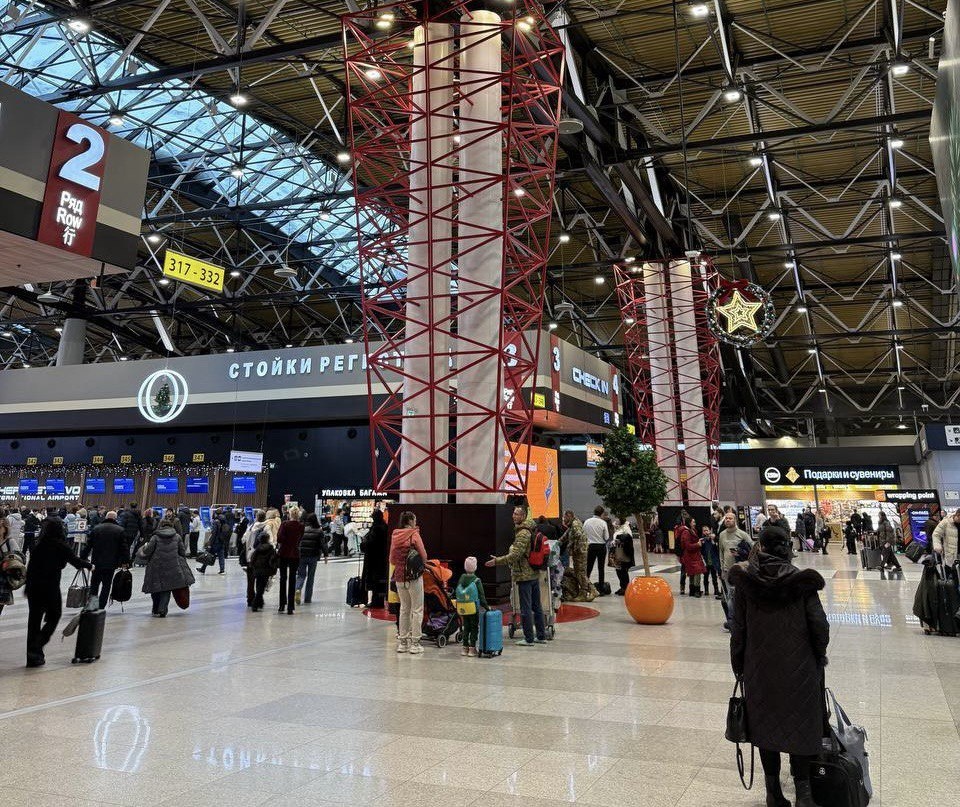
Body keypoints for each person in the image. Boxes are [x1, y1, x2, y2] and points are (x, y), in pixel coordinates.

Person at [729, 526, 829, 807]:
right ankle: (804, 795)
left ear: (760, 547)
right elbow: (819, 625)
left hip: (759, 668)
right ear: (787, 548)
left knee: (765, 725)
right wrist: (818, 655)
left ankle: (773, 793)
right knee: (801, 724)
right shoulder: (802, 582)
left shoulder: (746, 584)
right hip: (800, 668)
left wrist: (739, 665)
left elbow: (738, 630)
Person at [25, 518, 92, 667]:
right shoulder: (60, 545)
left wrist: (27, 588)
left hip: (34, 588)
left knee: (34, 621)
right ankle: (38, 644)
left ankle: (32, 657)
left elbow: (31, 567)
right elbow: (75, 561)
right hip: (50, 587)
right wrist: (90, 566)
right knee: (55, 615)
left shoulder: (39, 544)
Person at [486, 506, 546, 646]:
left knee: (525, 608)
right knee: (537, 606)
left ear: (523, 516)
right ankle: (541, 636)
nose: (513, 516)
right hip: (533, 573)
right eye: (513, 513)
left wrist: (497, 561)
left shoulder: (523, 533)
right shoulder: (530, 529)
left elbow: (515, 555)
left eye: (517, 514)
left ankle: (529, 638)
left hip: (524, 575)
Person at [139, 515, 194, 617]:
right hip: (173, 566)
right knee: (167, 588)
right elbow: (182, 552)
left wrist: (144, 548)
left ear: (160, 526)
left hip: (156, 566)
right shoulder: (177, 537)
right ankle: (162, 610)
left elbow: (147, 551)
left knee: (155, 587)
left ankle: (155, 609)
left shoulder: (155, 537)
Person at [389, 511, 427, 654]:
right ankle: (415, 643)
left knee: (404, 609)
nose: (415, 522)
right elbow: (424, 555)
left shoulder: (395, 535)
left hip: (399, 577)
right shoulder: (414, 534)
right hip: (414, 577)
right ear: (410, 520)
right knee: (417, 609)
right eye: (414, 520)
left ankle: (403, 643)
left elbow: (392, 559)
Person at [81, 510, 129, 610]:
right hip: (111, 563)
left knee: (94, 584)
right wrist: (125, 561)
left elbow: (88, 545)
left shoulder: (96, 528)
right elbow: (124, 548)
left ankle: (93, 605)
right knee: (106, 585)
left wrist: (83, 557)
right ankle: (101, 606)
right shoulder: (120, 530)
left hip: (96, 562)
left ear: (106, 518)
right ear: (115, 518)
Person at [455, 556, 487, 656]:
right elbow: (481, 596)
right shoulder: (476, 580)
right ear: (475, 567)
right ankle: (472, 649)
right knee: (474, 627)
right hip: (473, 608)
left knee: (466, 627)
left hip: (463, 607)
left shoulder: (462, 578)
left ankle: (464, 648)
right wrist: (486, 607)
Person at [560, 510, 594, 601]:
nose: (564, 519)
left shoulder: (575, 524)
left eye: (565, 517)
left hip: (580, 552)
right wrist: (558, 542)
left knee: (580, 573)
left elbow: (578, 535)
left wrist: (570, 546)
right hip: (579, 551)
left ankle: (590, 591)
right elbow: (566, 535)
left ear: (569, 516)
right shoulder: (572, 524)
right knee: (578, 572)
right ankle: (586, 592)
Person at [276, 506, 303, 614]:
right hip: (295, 553)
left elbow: (279, 538)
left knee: (283, 578)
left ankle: (282, 604)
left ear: (290, 514)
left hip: (284, 553)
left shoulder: (284, 524)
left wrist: (285, 540)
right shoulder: (301, 526)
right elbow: (300, 539)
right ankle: (291, 607)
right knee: (292, 579)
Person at [360, 508, 389, 608]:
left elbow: (371, 543)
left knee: (374, 580)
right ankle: (378, 600)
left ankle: (376, 602)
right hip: (382, 558)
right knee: (380, 580)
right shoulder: (385, 526)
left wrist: (364, 543)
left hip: (373, 559)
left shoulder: (376, 528)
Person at [296, 513, 325, 604]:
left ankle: (298, 588)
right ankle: (307, 598)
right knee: (310, 577)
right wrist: (326, 554)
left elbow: (298, 541)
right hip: (313, 556)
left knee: (301, 575)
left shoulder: (302, 529)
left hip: (302, 555)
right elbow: (322, 544)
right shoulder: (319, 531)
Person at [249, 526, 278, 613]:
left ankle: (260, 602)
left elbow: (253, 559)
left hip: (257, 570)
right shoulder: (271, 549)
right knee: (261, 588)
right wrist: (274, 569)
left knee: (259, 586)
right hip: (266, 570)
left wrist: (252, 566)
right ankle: (255, 604)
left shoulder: (257, 549)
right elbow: (273, 560)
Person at [582, 505, 610, 594]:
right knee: (601, 568)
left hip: (590, 546)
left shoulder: (587, 522)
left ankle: (585, 587)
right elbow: (606, 537)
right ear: (601, 513)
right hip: (601, 546)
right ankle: (601, 589)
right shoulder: (603, 523)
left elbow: (583, 534)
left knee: (588, 567)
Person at [679, 517, 706, 597]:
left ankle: (692, 591)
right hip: (690, 555)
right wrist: (697, 544)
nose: (695, 523)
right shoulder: (686, 532)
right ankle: (696, 591)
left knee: (692, 573)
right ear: (689, 523)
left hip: (694, 555)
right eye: (693, 522)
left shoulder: (692, 531)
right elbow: (687, 546)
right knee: (696, 572)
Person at [197, 508, 227, 575]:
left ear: (216, 513)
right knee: (221, 556)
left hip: (215, 542)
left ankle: (202, 569)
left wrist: (210, 543)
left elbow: (214, 533)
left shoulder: (216, 521)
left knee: (208, 555)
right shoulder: (224, 520)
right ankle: (222, 570)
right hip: (222, 541)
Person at [610, 519, 635, 596]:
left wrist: (618, 538)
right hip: (617, 551)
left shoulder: (626, 528)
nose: (615, 521)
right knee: (618, 570)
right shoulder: (619, 528)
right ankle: (622, 587)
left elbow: (628, 539)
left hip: (623, 552)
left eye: (617, 520)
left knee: (623, 570)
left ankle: (626, 588)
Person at [700, 524, 721, 598]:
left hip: (713, 561)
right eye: (704, 531)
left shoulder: (713, 539)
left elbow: (717, 549)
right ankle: (706, 590)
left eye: (707, 530)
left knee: (714, 576)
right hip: (706, 561)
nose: (706, 532)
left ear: (710, 531)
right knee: (705, 577)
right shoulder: (702, 540)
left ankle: (716, 589)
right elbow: (701, 551)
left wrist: (713, 540)